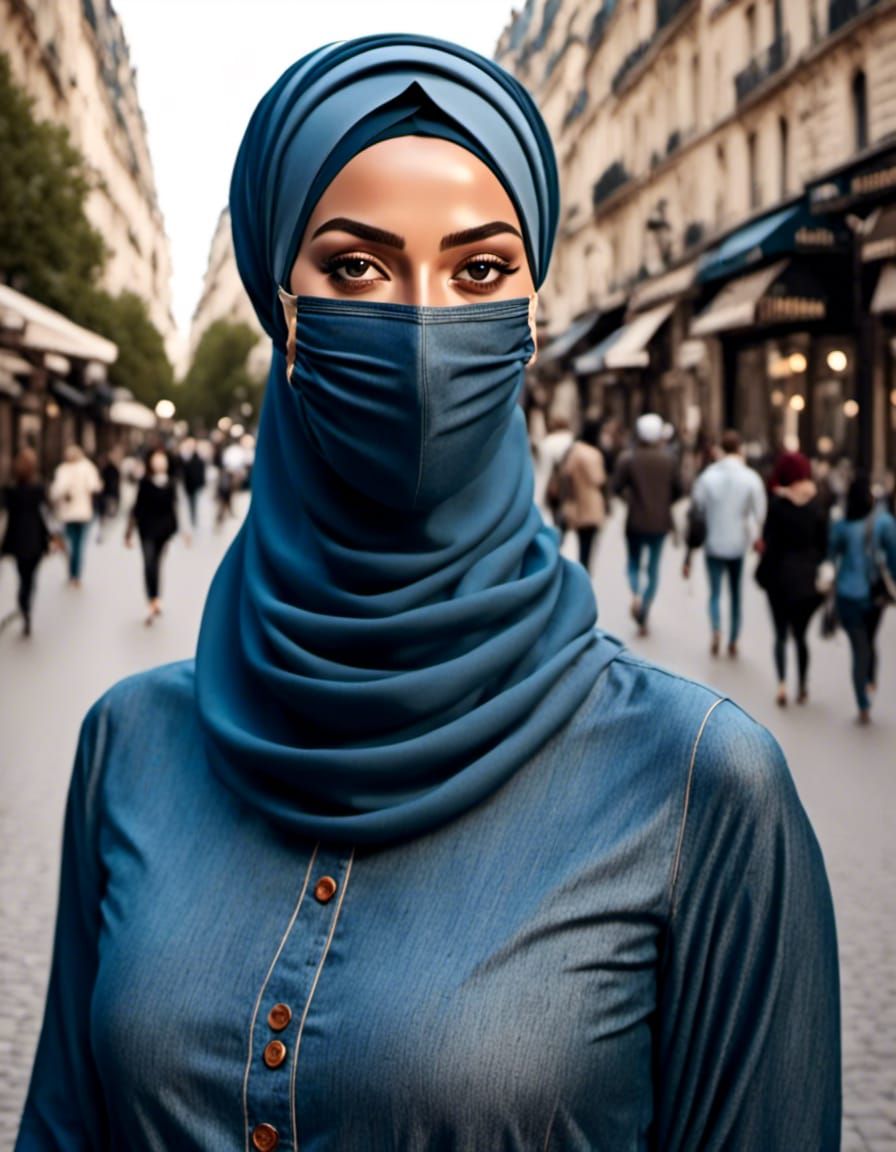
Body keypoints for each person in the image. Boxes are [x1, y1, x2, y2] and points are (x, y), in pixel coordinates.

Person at [17, 35, 839, 1151]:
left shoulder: (701, 785)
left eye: (480, 269)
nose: (418, 326)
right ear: (281, 311)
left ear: (531, 315)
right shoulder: (131, 745)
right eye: (354, 267)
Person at [757, 452, 828, 706]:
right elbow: (823, 546)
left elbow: (769, 542)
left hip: (779, 579)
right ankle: (803, 685)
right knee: (801, 636)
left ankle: (782, 684)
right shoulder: (816, 506)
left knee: (779, 635)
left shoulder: (777, 505)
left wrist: (762, 572)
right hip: (806, 582)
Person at [690, 429, 767, 657]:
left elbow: (697, 508)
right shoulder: (750, 477)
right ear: (739, 449)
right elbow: (759, 511)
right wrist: (753, 534)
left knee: (714, 592)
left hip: (713, 542)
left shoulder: (708, 476)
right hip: (737, 544)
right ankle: (733, 638)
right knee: (735, 594)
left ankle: (716, 629)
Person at [828, 473, 896, 724]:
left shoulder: (841, 524)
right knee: (868, 642)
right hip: (873, 595)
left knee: (860, 647)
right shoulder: (884, 522)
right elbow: (893, 555)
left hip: (847, 594)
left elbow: (831, 553)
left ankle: (863, 701)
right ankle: (869, 683)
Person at [613, 412, 683, 635]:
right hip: (659, 522)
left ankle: (635, 592)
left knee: (633, 561)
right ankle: (645, 605)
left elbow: (616, 487)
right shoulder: (669, 459)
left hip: (635, 520)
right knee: (653, 567)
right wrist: (664, 502)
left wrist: (630, 500)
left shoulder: (629, 458)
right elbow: (680, 489)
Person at [0, 448, 53, 636]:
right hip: (35, 539)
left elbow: (6, 515)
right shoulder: (38, 488)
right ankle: (27, 607)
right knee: (30, 579)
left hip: (16, 539)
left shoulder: (10, 490)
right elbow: (45, 513)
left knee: (23, 577)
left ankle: (23, 605)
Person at [125, 449, 179, 625]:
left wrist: (177, 530)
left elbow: (174, 507)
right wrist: (129, 531)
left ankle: (156, 597)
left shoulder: (171, 483)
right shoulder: (145, 482)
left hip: (163, 530)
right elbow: (137, 507)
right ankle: (152, 598)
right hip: (146, 528)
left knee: (157, 563)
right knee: (149, 563)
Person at [49, 444, 102, 586]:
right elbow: (95, 486)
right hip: (83, 511)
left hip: (68, 512)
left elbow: (56, 491)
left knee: (72, 542)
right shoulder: (87, 467)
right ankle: (76, 574)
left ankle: (72, 571)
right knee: (79, 543)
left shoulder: (63, 469)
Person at [558, 427, 606, 573]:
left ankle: (579, 573)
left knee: (578, 543)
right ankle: (584, 575)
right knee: (588, 547)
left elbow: (565, 475)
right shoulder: (592, 454)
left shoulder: (573, 452)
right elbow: (598, 479)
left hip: (576, 504)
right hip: (591, 504)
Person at [179, 437, 207, 530]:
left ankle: (193, 518)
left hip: (195, 483)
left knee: (193, 501)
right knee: (190, 501)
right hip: (188, 483)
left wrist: (202, 482)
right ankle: (192, 517)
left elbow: (201, 471)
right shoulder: (184, 456)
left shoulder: (197, 457)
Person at [94, 450, 121, 543]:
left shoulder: (109, 470)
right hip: (107, 496)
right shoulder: (103, 470)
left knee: (109, 516)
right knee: (105, 516)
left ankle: (106, 536)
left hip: (110, 495)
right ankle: (104, 534)